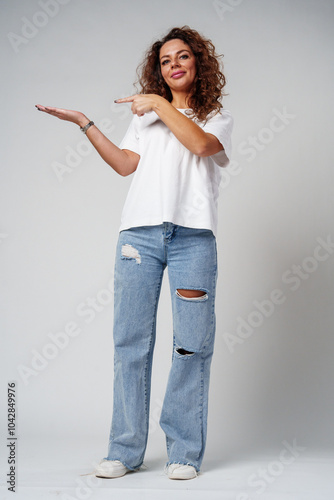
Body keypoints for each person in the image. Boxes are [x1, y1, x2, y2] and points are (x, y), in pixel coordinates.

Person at [36, 25, 233, 481]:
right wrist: (85, 122)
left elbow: (201, 146)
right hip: (139, 238)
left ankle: (184, 452)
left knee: (190, 347)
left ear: (197, 63)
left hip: (193, 240)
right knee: (130, 343)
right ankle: (125, 450)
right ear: (159, 70)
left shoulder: (214, 116)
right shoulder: (143, 119)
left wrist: (161, 103)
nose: (174, 65)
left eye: (182, 57)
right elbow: (126, 165)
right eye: (165, 61)